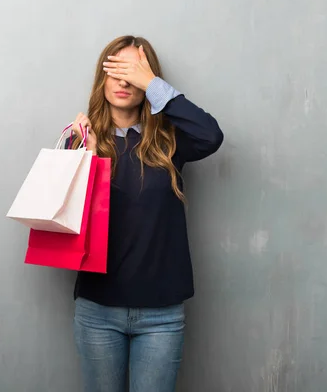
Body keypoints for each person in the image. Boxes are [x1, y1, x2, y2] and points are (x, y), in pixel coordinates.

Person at [68, 35, 224, 392]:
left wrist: (152, 84)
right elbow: (73, 223)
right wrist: (89, 161)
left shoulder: (171, 142)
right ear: (101, 79)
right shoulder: (82, 139)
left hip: (161, 315)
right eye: (115, 70)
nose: (124, 82)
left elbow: (211, 136)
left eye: (133, 72)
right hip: (98, 310)